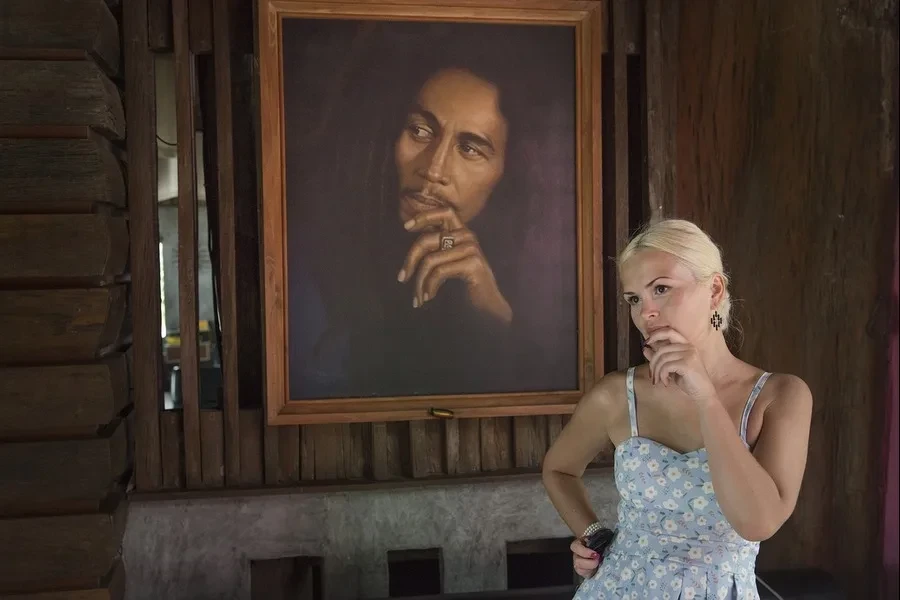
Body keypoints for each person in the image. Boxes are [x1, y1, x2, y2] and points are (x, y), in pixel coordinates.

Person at [284, 22, 579, 400]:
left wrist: (494, 315)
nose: (434, 169)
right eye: (421, 131)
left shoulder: (521, 283)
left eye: (470, 148)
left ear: (507, 175)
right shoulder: (308, 263)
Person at [542, 219, 813, 599]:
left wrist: (705, 396)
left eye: (662, 289)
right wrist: (594, 536)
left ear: (715, 290)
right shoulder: (618, 394)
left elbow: (759, 523)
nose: (645, 314)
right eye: (634, 298)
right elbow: (558, 469)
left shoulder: (781, 396)